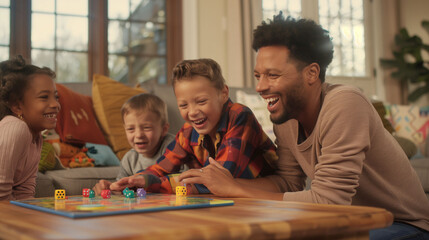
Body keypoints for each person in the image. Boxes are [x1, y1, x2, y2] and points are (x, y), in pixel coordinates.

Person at [178, 13, 429, 239]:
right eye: (258, 76)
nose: (260, 87)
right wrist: (220, 186)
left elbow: (328, 201)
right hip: (346, 220)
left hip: (403, 224)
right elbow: (288, 183)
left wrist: (234, 188)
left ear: (311, 73)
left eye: (272, 75)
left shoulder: (345, 103)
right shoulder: (286, 117)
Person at [110, 58, 277, 194]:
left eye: (201, 101)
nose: (192, 112)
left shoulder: (239, 115)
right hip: (228, 196)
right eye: (183, 106)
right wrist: (136, 180)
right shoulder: (188, 132)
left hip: (267, 191)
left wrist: (154, 184)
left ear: (224, 93)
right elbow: (160, 168)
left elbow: (221, 177)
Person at [0, 56, 60, 200]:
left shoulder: (36, 137)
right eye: (44, 97)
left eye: (56, 97)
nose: (55, 104)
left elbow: (25, 194)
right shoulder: (15, 128)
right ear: (17, 106)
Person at [93, 93, 176, 194]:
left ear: (164, 129)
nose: (138, 135)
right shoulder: (129, 159)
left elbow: (184, 181)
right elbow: (123, 190)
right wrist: (111, 188)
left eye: (146, 128)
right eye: (131, 129)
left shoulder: (173, 148)